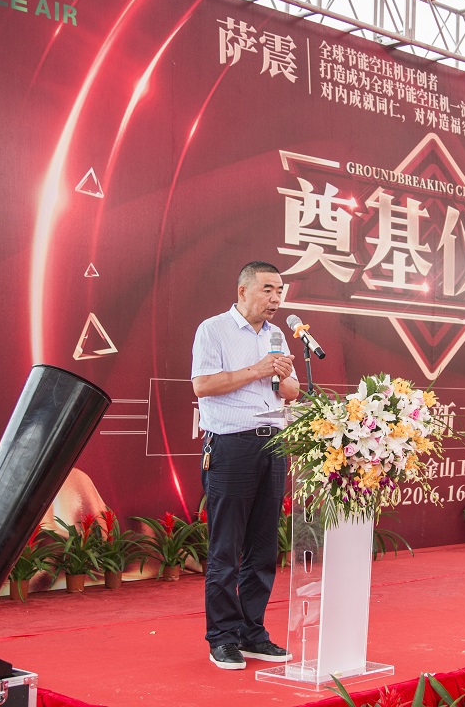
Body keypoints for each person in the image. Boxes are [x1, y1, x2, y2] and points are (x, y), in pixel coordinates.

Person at [191, 261, 300, 670]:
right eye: (268, 289)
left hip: (273, 444)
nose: (275, 299)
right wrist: (258, 369)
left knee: (263, 548)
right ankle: (222, 637)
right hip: (231, 446)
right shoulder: (213, 329)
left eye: (280, 291)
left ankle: (252, 632)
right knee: (226, 549)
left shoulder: (276, 335)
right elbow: (203, 384)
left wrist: (283, 378)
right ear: (243, 291)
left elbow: (289, 390)